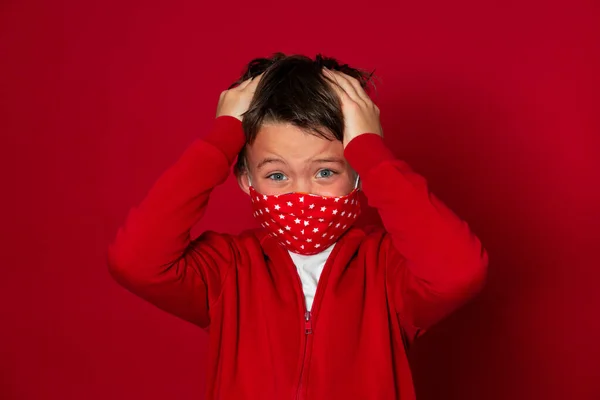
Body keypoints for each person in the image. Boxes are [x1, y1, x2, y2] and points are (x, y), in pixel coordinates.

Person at [107, 52, 488, 400]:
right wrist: (222, 137)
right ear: (245, 179)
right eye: (276, 175)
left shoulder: (388, 270)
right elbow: (136, 261)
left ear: (358, 174)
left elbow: (459, 271)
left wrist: (370, 151)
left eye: (325, 171)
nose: (302, 193)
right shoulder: (227, 270)